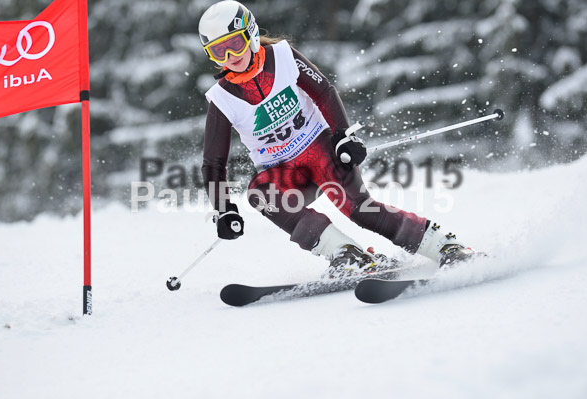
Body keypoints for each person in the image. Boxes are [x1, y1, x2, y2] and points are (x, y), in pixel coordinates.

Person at [198, 1, 477, 277]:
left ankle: (444, 246)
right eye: (218, 51)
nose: (230, 56)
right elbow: (213, 162)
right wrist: (223, 209)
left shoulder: (283, 56)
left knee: (360, 210)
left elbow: (324, 92)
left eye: (234, 43)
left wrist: (344, 136)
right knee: (260, 193)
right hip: (286, 175)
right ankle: (347, 254)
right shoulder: (222, 98)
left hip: (321, 152)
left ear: (251, 34)